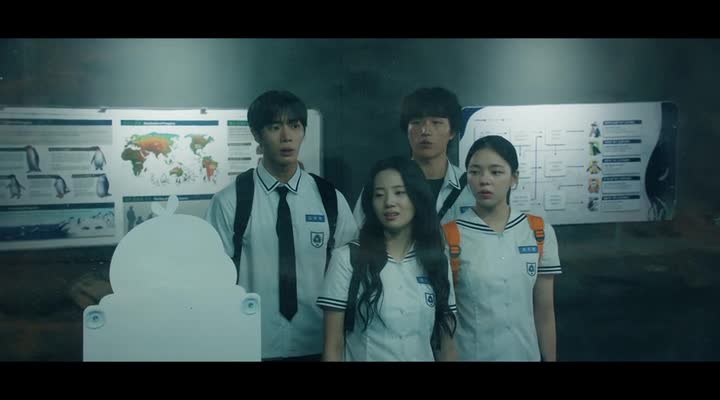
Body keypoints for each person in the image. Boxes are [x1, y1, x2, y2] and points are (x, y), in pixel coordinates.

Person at [205, 90, 358, 361]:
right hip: (253, 344)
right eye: (275, 127)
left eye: (295, 126)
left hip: (319, 343)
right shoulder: (230, 201)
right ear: (257, 134)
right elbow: (213, 279)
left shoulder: (330, 199)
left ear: (303, 131)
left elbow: (351, 272)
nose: (286, 137)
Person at [318, 156, 458, 361]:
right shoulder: (347, 259)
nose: (389, 202)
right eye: (379, 195)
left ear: (417, 197)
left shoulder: (436, 260)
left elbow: (447, 347)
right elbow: (333, 347)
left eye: (400, 192)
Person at [447, 135, 562, 361]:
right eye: (475, 171)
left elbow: (545, 312)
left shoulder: (538, 231)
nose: (484, 180)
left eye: (496, 172)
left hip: (525, 355)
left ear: (514, 178)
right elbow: (445, 319)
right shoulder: (450, 236)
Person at [353, 87, 475, 226]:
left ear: (452, 132)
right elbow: (357, 235)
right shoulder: (381, 183)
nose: (425, 131)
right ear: (407, 130)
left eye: (436, 123)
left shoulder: (472, 188)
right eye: (416, 122)